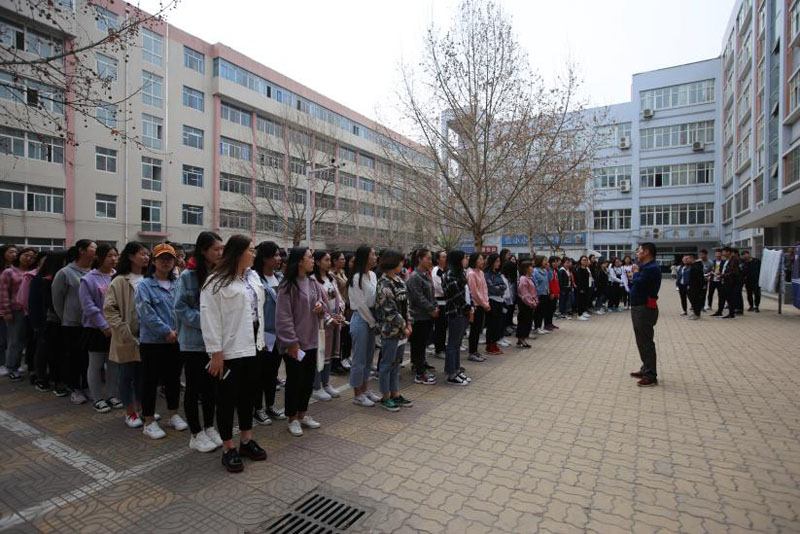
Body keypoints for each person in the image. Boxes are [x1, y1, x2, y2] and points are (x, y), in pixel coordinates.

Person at [201, 235, 267, 472]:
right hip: (230, 350)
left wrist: (261, 342)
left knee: (248, 396)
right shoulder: (216, 281)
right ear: (238, 252)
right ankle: (228, 447)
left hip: (254, 346)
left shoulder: (253, 277)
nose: (254, 254)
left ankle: (246, 440)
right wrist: (215, 353)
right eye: (251, 250)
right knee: (227, 400)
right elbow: (209, 318)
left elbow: (258, 311)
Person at [175, 231, 225, 453]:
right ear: (203, 251)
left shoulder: (219, 275)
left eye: (222, 249)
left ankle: (209, 427)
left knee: (211, 388)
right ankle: (195, 433)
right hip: (194, 342)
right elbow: (180, 308)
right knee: (194, 388)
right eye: (216, 249)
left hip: (214, 343)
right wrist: (207, 321)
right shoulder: (187, 276)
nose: (220, 253)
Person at [136, 243, 188, 439]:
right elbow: (146, 313)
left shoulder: (178, 284)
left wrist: (178, 331)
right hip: (153, 342)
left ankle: (173, 414)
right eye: (162, 258)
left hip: (176, 341)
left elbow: (183, 308)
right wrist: (166, 331)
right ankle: (149, 421)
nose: (166, 262)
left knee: (173, 379)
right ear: (154, 261)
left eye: (169, 258)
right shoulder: (145, 285)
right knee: (149, 381)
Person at [276, 247, 328, 436]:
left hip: (312, 341)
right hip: (295, 344)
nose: (313, 261)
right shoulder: (287, 285)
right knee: (294, 381)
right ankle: (292, 418)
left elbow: (322, 305)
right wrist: (291, 342)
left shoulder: (312, 282)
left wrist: (320, 307)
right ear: (299, 261)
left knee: (307, 381)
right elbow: (283, 317)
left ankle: (302, 414)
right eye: (309, 257)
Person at [104, 242, 149, 428]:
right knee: (126, 375)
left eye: (147, 254)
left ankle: (142, 408)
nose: (146, 257)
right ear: (130, 256)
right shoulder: (120, 280)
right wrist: (122, 329)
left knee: (142, 376)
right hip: (127, 336)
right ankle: (129, 412)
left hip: (148, 335)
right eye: (142, 254)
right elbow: (109, 309)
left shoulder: (149, 278)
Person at [79, 244, 122, 413]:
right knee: (96, 365)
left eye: (115, 255)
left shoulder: (118, 277)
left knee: (113, 365)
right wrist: (103, 325)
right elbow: (88, 307)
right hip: (95, 329)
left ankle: (112, 395)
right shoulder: (88, 279)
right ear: (99, 257)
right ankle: (98, 398)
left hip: (116, 328)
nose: (113, 259)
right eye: (109, 256)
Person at [53, 239, 96, 403]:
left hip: (91, 323)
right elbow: (57, 299)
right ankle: (74, 388)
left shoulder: (95, 271)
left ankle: (86, 385)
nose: (96, 250)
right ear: (82, 250)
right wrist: (66, 317)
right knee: (73, 356)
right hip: (72, 323)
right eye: (93, 247)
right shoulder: (65, 273)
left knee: (88, 357)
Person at [252, 241, 288, 425]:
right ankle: (258, 408)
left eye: (279, 255)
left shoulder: (280, 278)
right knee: (259, 373)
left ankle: (270, 405)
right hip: (262, 334)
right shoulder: (255, 279)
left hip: (279, 334)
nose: (278, 258)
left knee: (273, 372)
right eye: (275, 255)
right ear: (264, 258)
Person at [374, 249, 414, 411]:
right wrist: (404, 326)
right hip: (390, 330)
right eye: (400, 261)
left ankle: (395, 394)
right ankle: (385, 397)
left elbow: (406, 306)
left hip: (402, 330)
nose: (402, 264)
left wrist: (408, 323)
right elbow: (389, 311)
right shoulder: (383, 283)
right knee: (387, 364)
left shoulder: (399, 280)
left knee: (396, 363)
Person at [348, 246, 382, 407]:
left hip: (372, 318)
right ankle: (357, 394)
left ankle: (365, 389)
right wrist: (372, 322)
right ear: (365, 257)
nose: (375, 257)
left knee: (369, 358)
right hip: (361, 319)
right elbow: (360, 304)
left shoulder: (373, 275)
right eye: (373, 254)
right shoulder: (356, 277)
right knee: (359, 359)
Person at [29, 252, 67, 394]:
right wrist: (36, 324)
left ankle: (54, 377)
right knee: (43, 350)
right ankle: (41, 378)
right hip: (44, 321)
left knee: (56, 351)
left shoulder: (61, 277)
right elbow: (34, 304)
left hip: (59, 321)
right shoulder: (41, 280)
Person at [311, 250, 345, 402]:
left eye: (330, 260)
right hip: (321, 323)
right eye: (326, 260)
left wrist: (340, 312)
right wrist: (328, 317)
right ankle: (316, 386)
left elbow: (338, 298)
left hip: (333, 321)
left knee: (329, 353)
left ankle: (326, 383)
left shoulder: (331, 278)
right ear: (317, 262)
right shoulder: (313, 280)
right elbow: (316, 302)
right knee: (320, 353)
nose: (329, 262)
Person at [0, 247, 37, 381]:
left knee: (29, 340)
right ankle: (12, 367)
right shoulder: (9, 272)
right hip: (16, 311)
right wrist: (6, 311)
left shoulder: (34, 272)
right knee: (15, 340)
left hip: (32, 311)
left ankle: (26, 365)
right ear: (20, 256)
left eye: (32, 257)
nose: (29, 258)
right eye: (26, 255)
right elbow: (3, 293)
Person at [629, 243, 662, 387]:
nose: (637, 253)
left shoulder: (651, 268)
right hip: (639, 306)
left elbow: (640, 283)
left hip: (644, 308)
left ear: (646, 252)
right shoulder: (645, 266)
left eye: (639, 251)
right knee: (641, 340)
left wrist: (636, 272)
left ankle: (650, 375)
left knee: (646, 342)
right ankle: (646, 368)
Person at [406, 248, 438, 385]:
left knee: (422, 344)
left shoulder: (425, 275)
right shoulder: (414, 277)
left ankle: (419, 365)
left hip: (427, 316)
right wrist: (431, 309)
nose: (430, 261)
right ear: (420, 259)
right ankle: (419, 372)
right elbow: (418, 297)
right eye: (428, 258)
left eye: (431, 258)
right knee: (418, 344)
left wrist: (434, 306)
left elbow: (431, 294)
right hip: (418, 316)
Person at [443, 250, 472, 385]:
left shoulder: (461, 273)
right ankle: (451, 373)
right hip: (455, 312)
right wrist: (468, 308)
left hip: (463, 311)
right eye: (464, 258)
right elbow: (457, 296)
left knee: (458, 343)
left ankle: (457, 370)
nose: (466, 260)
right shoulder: (450, 275)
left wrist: (470, 308)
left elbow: (467, 293)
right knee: (453, 343)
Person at [329, 251, 349, 375]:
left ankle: (338, 361)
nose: (344, 261)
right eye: (341, 259)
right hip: (336, 308)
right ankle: (333, 364)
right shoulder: (331, 275)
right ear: (335, 261)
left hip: (344, 306)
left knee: (341, 337)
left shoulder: (342, 273)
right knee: (336, 337)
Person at [466, 253, 489, 362]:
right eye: (480, 259)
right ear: (474, 260)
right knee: (474, 329)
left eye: (482, 259)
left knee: (478, 329)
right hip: (475, 305)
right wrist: (484, 304)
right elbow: (474, 292)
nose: (482, 261)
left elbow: (484, 289)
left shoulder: (481, 272)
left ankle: (475, 351)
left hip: (482, 305)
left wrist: (486, 302)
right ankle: (472, 352)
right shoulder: (471, 273)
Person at [0, 244, 18, 377]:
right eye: (11, 252)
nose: (14, 254)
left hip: (12, 306)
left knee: (10, 338)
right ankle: (2, 363)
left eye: (16, 252)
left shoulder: (16, 268)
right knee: (2, 338)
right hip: (3, 306)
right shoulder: (4, 270)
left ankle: (9, 362)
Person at [483, 253, 507, 354]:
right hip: (491, 300)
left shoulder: (497, 274)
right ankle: (489, 345)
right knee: (491, 324)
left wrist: (499, 287)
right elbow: (491, 288)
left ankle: (494, 343)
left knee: (497, 324)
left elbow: (504, 286)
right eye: (497, 261)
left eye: (499, 261)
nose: (498, 263)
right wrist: (499, 287)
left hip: (499, 300)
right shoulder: (487, 274)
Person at [515, 261, 538, 347]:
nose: (532, 268)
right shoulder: (523, 279)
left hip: (530, 303)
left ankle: (523, 338)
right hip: (525, 304)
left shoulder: (529, 278)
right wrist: (531, 302)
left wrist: (535, 301)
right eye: (531, 266)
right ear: (526, 268)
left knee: (528, 321)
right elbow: (524, 294)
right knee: (524, 321)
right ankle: (521, 339)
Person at [431, 251, 448, 359]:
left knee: (443, 327)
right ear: (437, 259)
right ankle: (439, 349)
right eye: (443, 257)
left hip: (446, 301)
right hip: (439, 302)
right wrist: (449, 291)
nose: (445, 259)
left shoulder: (444, 270)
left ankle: (442, 346)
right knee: (439, 327)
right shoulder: (436, 271)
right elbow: (438, 287)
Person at [712, 247, 738, 319]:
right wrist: (720, 274)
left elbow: (733, 272)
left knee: (729, 298)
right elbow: (725, 270)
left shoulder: (734, 260)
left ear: (728, 252)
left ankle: (731, 313)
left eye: (723, 252)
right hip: (724, 281)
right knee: (722, 296)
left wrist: (722, 276)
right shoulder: (726, 260)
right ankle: (719, 311)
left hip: (730, 281)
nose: (722, 253)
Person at [531, 256, 550, 335]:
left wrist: (548, 269)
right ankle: (536, 327)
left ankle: (540, 326)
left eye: (546, 260)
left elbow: (549, 279)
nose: (546, 262)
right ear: (539, 261)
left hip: (545, 293)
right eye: (544, 260)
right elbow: (535, 283)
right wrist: (537, 294)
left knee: (543, 311)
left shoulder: (545, 270)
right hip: (538, 294)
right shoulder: (535, 271)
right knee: (538, 312)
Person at [574, 256, 592, 321]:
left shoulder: (586, 268)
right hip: (581, 288)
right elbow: (578, 280)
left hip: (586, 287)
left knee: (585, 300)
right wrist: (580, 289)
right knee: (580, 301)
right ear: (580, 261)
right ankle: (579, 315)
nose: (585, 261)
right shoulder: (579, 269)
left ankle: (583, 312)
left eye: (586, 260)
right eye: (583, 260)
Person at [688, 253, 705, 320]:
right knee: (693, 299)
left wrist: (701, 286)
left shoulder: (696, 266)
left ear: (692, 258)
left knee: (696, 300)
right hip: (692, 286)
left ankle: (697, 314)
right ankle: (695, 312)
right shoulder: (693, 265)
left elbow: (699, 277)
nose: (687, 260)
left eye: (688, 258)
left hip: (696, 287)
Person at [545, 257, 560, 330]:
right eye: (554, 262)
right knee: (549, 309)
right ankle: (547, 324)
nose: (556, 263)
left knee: (552, 309)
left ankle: (550, 323)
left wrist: (557, 292)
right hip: (551, 293)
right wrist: (551, 292)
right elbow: (550, 283)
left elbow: (556, 282)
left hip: (555, 292)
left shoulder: (554, 270)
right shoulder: (549, 271)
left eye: (557, 262)